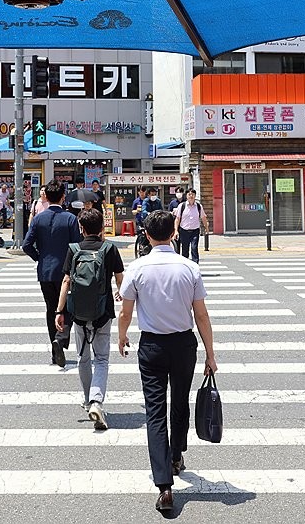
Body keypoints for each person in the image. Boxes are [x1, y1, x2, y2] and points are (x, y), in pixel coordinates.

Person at [118, 210, 218, 513]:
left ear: (147, 236)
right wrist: (210, 354)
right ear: (174, 234)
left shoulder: (137, 268)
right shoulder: (189, 268)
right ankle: (176, 456)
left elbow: (125, 311)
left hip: (151, 346)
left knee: (155, 411)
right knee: (180, 403)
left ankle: (164, 485)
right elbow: (201, 314)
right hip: (184, 343)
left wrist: (122, 337)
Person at [55, 208, 124, 431]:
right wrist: (121, 294)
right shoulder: (109, 248)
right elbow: (120, 278)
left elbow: (66, 281)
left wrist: (59, 312)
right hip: (104, 313)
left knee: (83, 358)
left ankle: (88, 401)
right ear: (102, 228)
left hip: (79, 314)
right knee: (102, 359)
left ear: (81, 229)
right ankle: (96, 401)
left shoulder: (73, 249)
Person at [23, 180, 83, 367]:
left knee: (51, 309)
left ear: (46, 197)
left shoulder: (39, 219)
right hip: (66, 272)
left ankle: (54, 348)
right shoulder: (70, 219)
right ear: (63, 197)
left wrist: (39, 258)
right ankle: (61, 338)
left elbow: (26, 245)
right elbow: (77, 246)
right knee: (68, 308)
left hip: (45, 272)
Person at [174, 189, 209, 264]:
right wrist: (176, 230)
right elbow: (177, 219)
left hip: (195, 231)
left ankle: (195, 266)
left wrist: (206, 228)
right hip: (184, 231)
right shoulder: (182, 206)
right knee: (185, 250)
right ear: (186, 196)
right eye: (189, 194)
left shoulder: (199, 206)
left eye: (192, 194)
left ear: (195, 196)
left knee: (194, 248)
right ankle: (185, 266)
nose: (191, 196)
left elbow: (203, 218)